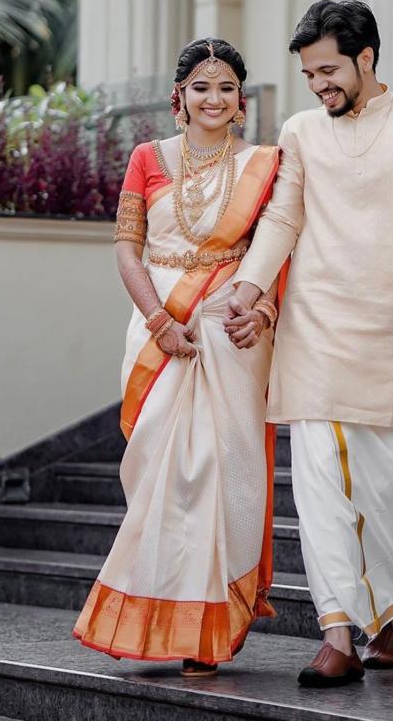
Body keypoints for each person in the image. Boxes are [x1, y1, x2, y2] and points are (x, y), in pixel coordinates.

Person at [224, 0, 393, 688]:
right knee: (318, 488)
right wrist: (249, 289)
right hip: (315, 331)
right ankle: (336, 632)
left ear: (366, 58)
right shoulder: (303, 131)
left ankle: (392, 617)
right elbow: (283, 215)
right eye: (309, 74)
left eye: (329, 70)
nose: (318, 85)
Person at [73, 39, 282, 677]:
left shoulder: (266, 165)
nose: (212, 98)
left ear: (241, 101)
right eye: (200, 87)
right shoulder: (147, 158)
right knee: (160, 466)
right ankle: (160, 613)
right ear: (179, 97)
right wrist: (160, 320)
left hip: (229, 329)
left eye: (224, 88)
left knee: (222, 467)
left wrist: (264, 312)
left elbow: (278, 252)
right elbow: (127, 251)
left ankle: (207, 630)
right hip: (159, 327)